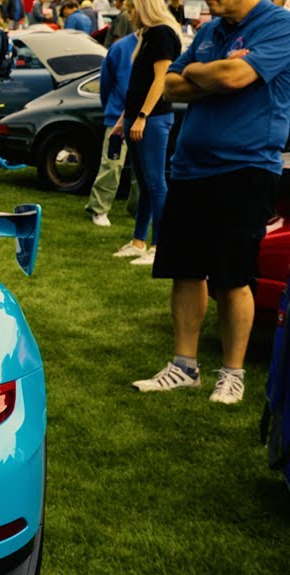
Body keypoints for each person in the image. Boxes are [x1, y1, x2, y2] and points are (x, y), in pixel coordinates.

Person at [133, 0, 290, 403]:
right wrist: (213, 73)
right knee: (185, 270)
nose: (207, 1)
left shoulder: (279, 24)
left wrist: (203, 73)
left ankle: (231, 374)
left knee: (232, 277)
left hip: (246, 167)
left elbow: (235, 77)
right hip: (190, 167)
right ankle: (184, 366)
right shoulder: (209, 31)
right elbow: (169, 83)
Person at [110, 0, 181, 267]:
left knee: (155, 183)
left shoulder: (162, 33)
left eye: (131, 9)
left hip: (152, 118)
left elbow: (160, 81)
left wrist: (142, 116)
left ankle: (159, 245)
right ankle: (139, 241)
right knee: (143, 184)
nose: (128, 15)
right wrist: (123, 120)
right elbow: (138, 85)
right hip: (135, 117)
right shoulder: (147, 35)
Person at [86, 32, 137, 228]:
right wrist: (112, 109)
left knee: (142, 168)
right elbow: (106, 82)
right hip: (117, 114)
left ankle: (138, 208)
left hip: (145, 116)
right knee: (112, 164)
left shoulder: (156, 44)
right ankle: (99, 208)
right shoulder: (121, 47)